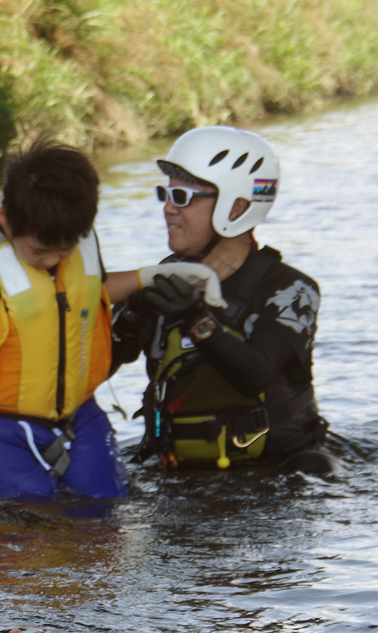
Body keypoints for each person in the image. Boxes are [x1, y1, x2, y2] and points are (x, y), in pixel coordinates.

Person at [0, 137, 220, 503]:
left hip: (78, 418)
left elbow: (85, 295)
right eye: (38, 252)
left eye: (62, 251)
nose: (51, 261)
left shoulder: (76, 233)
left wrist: (148, 277)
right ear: (7, 217)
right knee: (25, 528)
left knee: (105, 513)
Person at [113, 126, 332, 473]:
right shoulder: (160, 281)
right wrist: (128, 320)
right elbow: (88, 372)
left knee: (318, 466)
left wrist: (194, 319)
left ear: (237, 208)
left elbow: (256, 374)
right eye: (165, 194)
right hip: (180, 474)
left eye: (183, 197)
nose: (168, 209)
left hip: (278, 472)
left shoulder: (292, 289)